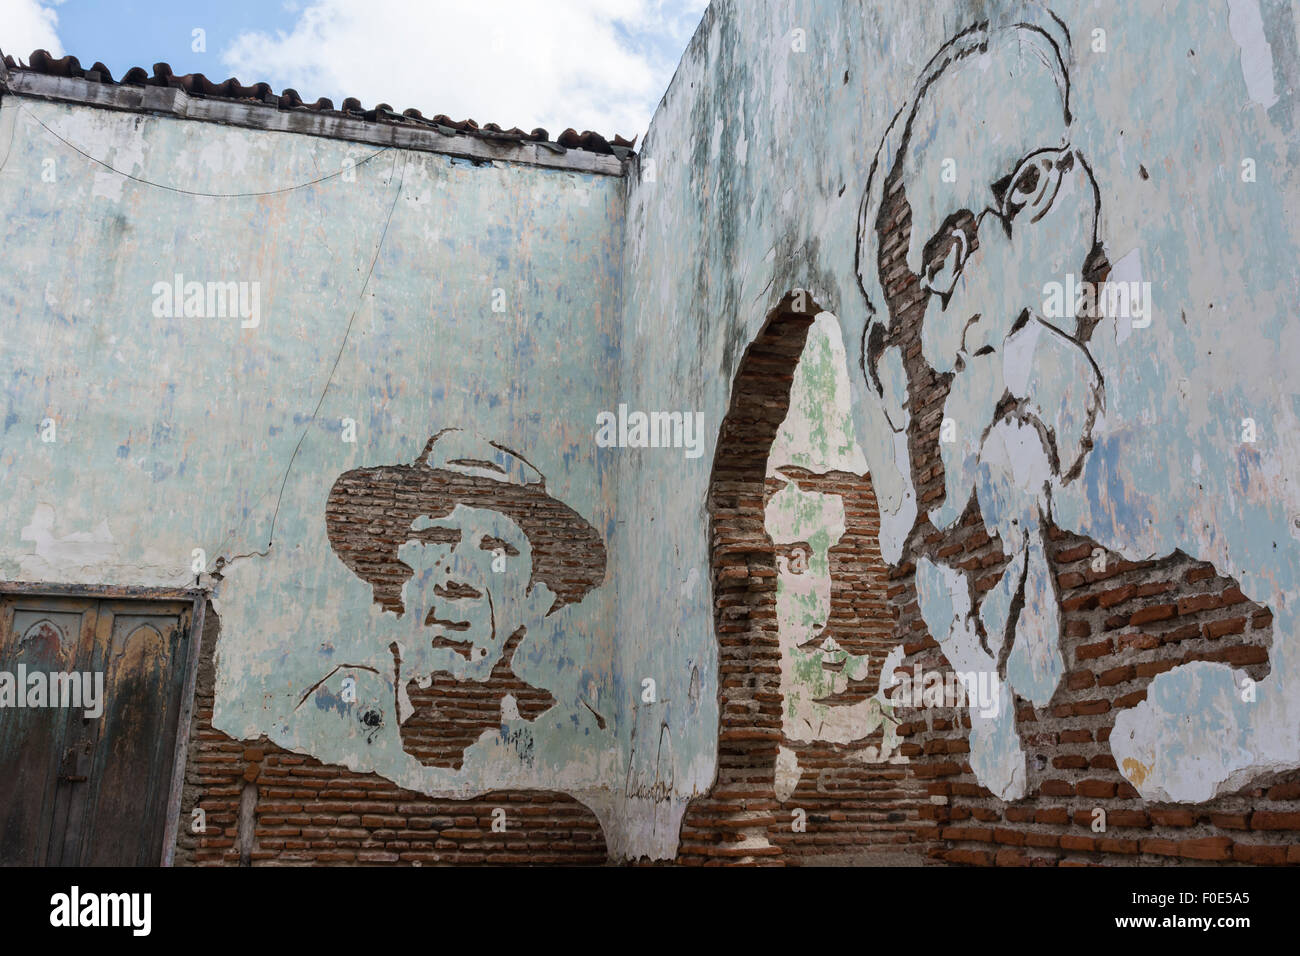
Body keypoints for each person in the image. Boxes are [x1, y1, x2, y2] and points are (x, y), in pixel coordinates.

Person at [299, 427, 607, 771]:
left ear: (535, 599)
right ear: (395, 573)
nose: (458, 579)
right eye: (436, 539)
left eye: (496, 552)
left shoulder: (561, 733)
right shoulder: (331, 709)